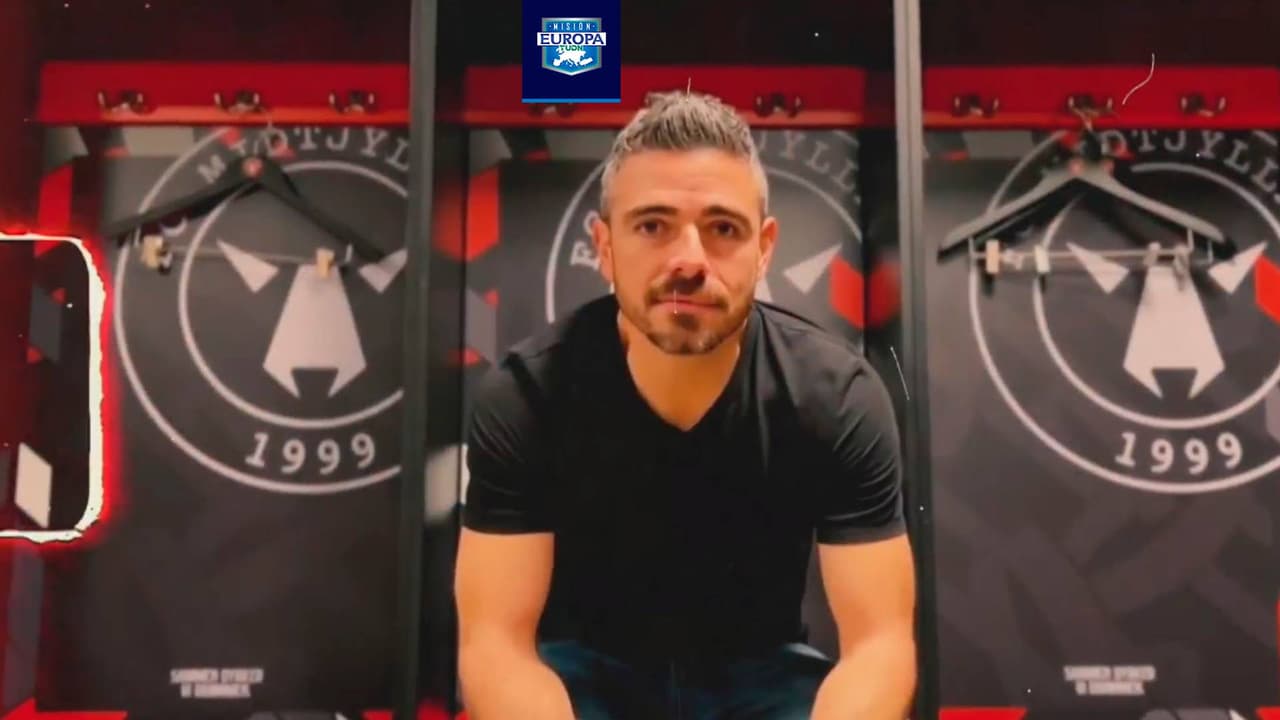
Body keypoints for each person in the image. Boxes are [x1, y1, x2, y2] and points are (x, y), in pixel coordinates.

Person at [454, 90, 917, 720]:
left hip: (763, 676)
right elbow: (495, 645)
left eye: (723, 229)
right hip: (584, 675)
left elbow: (880, 645)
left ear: (765, 247)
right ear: (604, 245)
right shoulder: (528, 395)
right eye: (653, 226)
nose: (688, 261)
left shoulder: (835, 397)